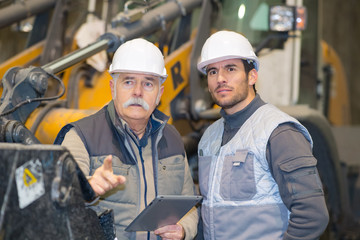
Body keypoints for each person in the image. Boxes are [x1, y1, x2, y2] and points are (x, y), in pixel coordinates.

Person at [55, 38, 198, 240]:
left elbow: (188, 205)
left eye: (148, 83)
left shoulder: (173, 138)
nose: (137, 92)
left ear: (160, 93)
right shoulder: (82, 136)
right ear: (113, 88)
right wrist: (86, 189)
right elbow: (57, 199)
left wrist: (183, 230)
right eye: (128, 81)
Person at [196, 30, 329, 239]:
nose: (220, 78)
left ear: (252, 76)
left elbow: (312, 215)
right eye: (212, 71)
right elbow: (210, 210)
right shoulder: (209, 137)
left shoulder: (279, 132)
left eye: (230, 69)